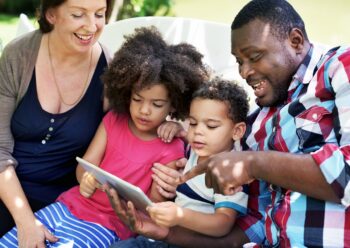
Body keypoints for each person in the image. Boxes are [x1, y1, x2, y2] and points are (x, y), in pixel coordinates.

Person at [107, 0, 350, 247]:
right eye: (239, 61)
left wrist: (251, 164)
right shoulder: (255, 125)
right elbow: (249, 228)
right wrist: (166, 234)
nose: (244, 72)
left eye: (254, 57)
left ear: (295, 41)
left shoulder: (339, 66)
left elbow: (347, 173)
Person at [0, 26, 208, 247]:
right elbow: (85, 166)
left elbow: (154, 203)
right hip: (70, 205)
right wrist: (87, 179)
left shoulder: (170, 147)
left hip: (111, 224)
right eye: (137, 99)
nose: (144, 110)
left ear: (174, 104)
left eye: (157, 104)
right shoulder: (114, 120)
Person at [0, 0, 113, 245]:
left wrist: (175, 126)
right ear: (51, 14)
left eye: (100, 14)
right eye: (78, 14)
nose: (91, 26)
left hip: (63, 204)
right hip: (6, 188)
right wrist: (26, 222)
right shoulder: (18, 55)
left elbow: (137, 123)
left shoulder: (111, 70)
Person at [110, 77, 250, 248]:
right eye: (193, 123)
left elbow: (223, 224)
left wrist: (180, 215)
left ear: (237, 131)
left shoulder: (231, 172)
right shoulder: (196, 150)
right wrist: (176, 128)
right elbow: (185, 136)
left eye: (211, 126)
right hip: (168, 234)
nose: (198, 131)